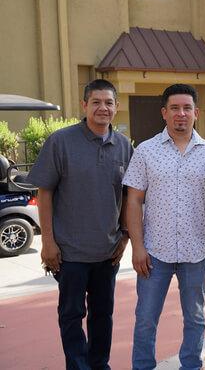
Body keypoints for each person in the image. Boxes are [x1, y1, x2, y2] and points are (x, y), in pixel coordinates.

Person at [28, 79, 133, 369]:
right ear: (84, 105)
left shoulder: (124, 146)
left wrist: (124, 238)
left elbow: (128, 196)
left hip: (107, 253)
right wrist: (47, 242)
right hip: (69, 254)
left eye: (109, 102)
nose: (103, 108)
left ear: (116, 107)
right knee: (71, 316)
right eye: (96, 102)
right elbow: (44, 192)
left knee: (103, 316)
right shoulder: (61, 142)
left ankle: (100, 365)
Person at [123, 84, 205, 370]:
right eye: (175, 108)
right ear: (164, 113)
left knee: (195, 318)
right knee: (145, 318)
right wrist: (137, 247)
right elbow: (133, 201)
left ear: (196, 113)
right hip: (154, 253)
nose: (181, 114)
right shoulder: (145, 151)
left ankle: (191, 366)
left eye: (187, 108)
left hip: (195, 253)